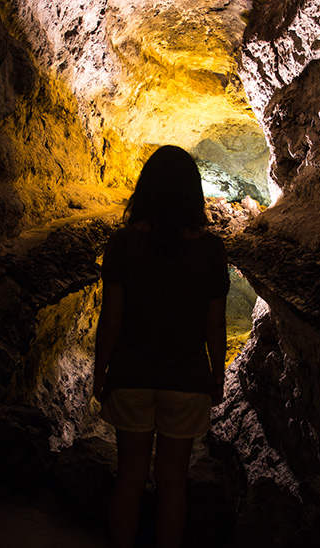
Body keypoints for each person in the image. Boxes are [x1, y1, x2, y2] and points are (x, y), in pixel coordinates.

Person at [93, 145, 229, 548]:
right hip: (187, 380)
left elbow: (111, 321)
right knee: (173, 484)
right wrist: (217, 376)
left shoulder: (121, 245)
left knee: (129, 478)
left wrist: (100, 372)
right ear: (193, 193)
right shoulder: (210, 250)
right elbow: (214, 326)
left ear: (146, 189)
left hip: (131, 377)